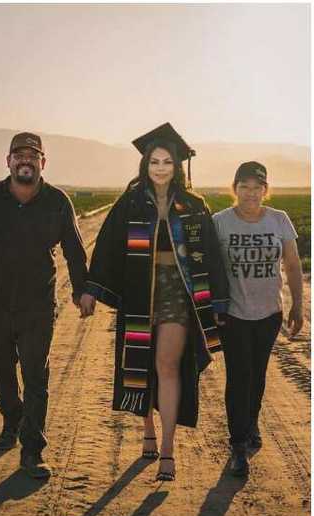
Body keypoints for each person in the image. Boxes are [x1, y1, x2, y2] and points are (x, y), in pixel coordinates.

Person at [82, 123, 230, 482]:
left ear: (177, 165)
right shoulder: (131, 202)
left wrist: (220, 303)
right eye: (154, 162)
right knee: (142, 364)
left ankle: (167, 448)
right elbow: (105, 247)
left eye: (167, 161)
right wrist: (91, 288)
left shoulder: (194, 206)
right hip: (138, 293)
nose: (160, 168)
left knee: (167, 364)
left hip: (177, 294)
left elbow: (211, 254)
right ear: (145, 165)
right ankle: (147, 428)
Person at [0, 132, 89, 479]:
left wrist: (82, 291)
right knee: (2, 371)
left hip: (37, 306)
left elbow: (74, 249)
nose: (25, 161)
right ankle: (12, 421)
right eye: (18, 155)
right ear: (7, 160)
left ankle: (32, 451)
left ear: (43, 162)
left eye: (32, 156)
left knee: (36, 375)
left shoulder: (57, 201)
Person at [212, 161, 304, 477]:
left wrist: (297, 306)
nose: (251, 193)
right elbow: (209, 268)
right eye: (244, 186)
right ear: (234, 188)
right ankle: (238, 444)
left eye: (257, 187)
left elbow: (292, 265)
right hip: (234, 314)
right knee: (239, 375)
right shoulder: (220, 223)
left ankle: (251, 423)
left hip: (269, 314)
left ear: (265, 190)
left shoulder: (279, 220)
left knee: (258, 375)